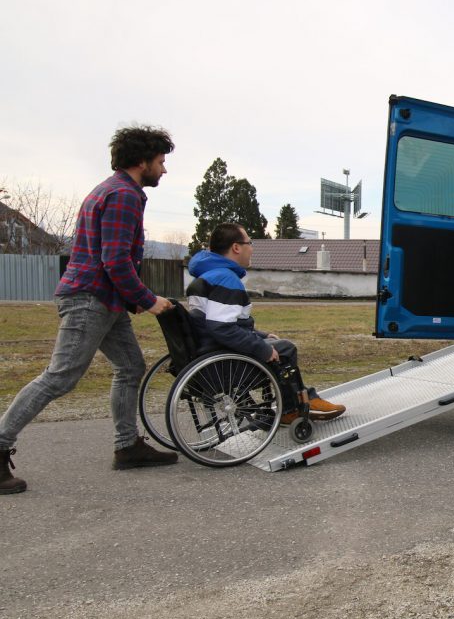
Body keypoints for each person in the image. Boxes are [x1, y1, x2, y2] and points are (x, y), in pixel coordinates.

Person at [0, 126, 179, 496]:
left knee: (130, 366)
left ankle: (127, 446)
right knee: (60, 377)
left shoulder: (114, 190)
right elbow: (114, 260)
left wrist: (133, 298)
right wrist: (148, 300)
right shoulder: (122, 195)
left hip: (105, 299)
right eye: (161, 162)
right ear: (141, 161)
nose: (164, 170)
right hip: (90, 298)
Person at [184, 223, 345, 423]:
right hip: (224, 364)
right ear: (236, 247)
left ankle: (302, 399)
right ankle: (294, 408)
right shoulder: (225, 279)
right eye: (249, 243)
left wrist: (261, 336)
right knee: (285, 349)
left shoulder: (208, 276)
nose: (251, 248)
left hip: (210, 353)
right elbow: (222, 328)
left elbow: (226, 322)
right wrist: (261, 348)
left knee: (277, 344)